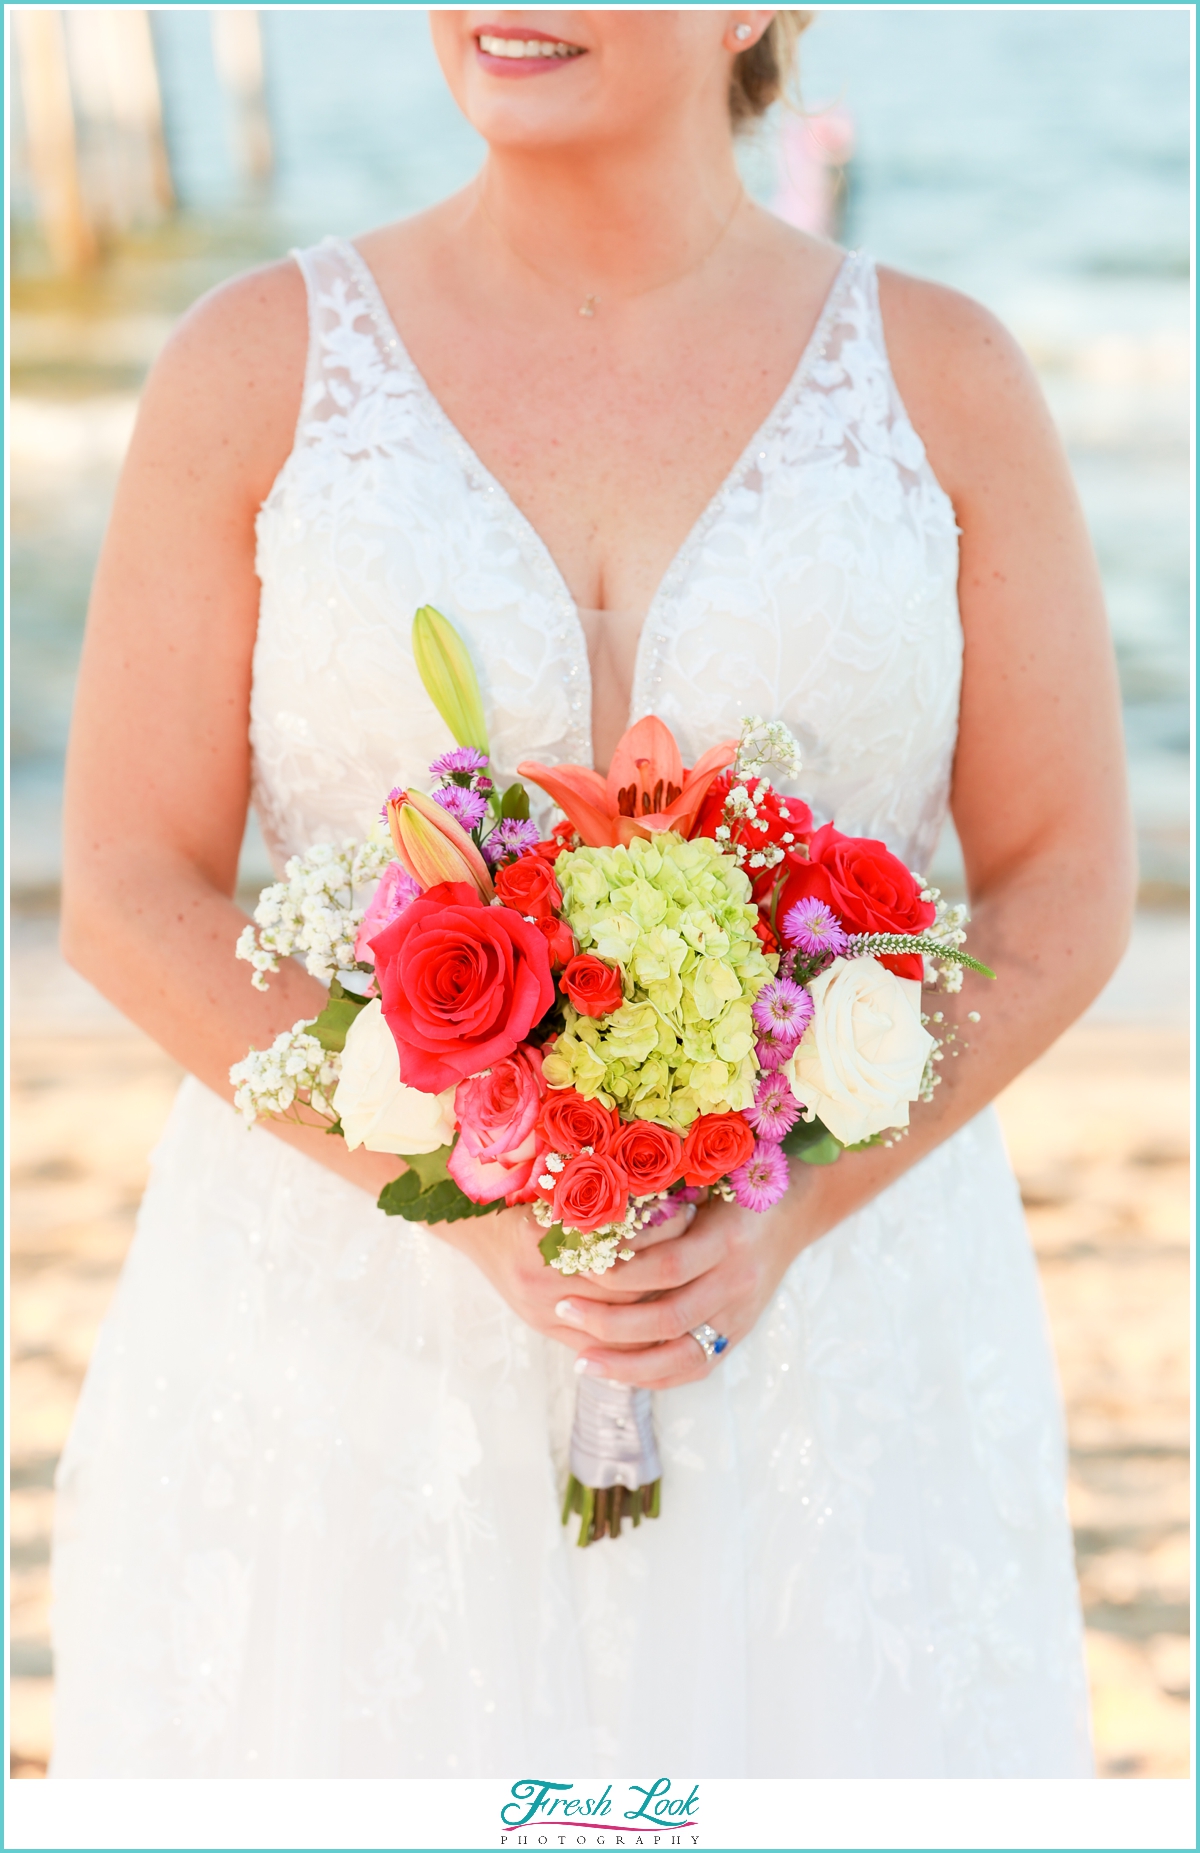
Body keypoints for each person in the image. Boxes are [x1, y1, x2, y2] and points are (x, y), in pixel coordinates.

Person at [54, 10, 1132, 1776]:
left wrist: (791, 1207)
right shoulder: (250, 365)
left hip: (832, 1340)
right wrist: (462, 1197)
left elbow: (1067, 883)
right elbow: (121, 880)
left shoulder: (948, 378)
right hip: (346, 1342)